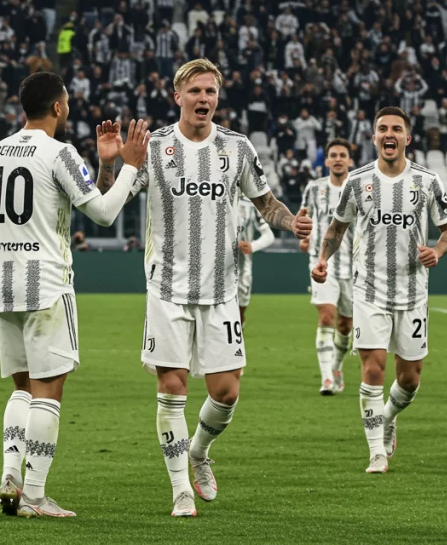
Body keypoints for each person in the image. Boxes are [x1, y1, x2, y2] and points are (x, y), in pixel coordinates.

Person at [94, 58, 312, 517]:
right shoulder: (154, 147)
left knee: (227, 392)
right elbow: (107, 206)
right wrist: (108, 164)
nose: (204, 98)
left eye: (210, 91)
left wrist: (292, 223)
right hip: (167, 289)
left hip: (221, 290)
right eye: (195, 91)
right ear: (178, 96)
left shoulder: (236, 147)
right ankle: (180, 491)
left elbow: (266, 203)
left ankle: (198, 452)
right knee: (172, 387)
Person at [0, 72, 149, 518]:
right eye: (67, 102)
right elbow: (103, 214)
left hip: (1, 285)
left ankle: (10, 475)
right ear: (58, 107)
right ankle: (34, 496)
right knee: (48, 391)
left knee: (22, 387)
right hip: (47, 285)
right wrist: (131, 164)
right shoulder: (59, 153)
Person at [310, 106, 447, 474]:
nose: (388, 134)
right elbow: (337, 229)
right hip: (369, 290)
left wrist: (437, 252)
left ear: (408, 137)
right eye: (382, 129)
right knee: (373, 369)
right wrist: (323, 258)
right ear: (374, 136)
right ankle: (376, 451)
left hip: (413, 292)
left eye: (396, 129)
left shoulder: (427, 181)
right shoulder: (357, 181)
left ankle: (388, 416)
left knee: (409, 379)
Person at [299, 138, 357, 395]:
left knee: (346, 326)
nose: (337, 159)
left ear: (349, 160)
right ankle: (326, 379)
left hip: (354, 268)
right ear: (327, 161)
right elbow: (304, 218)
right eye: (333, 155)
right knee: (326, 317)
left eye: (342, 155)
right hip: (322, 264)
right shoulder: (314, 189)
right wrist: (303, 237)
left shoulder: (360, 189)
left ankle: (336, 366)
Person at [236, 196, 275, 325]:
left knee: (238, 316)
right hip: (215, 268)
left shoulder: (250, 204)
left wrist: (252, 246)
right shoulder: (211, 198)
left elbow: (269, 236)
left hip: (242, 269)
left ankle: (240, 329)